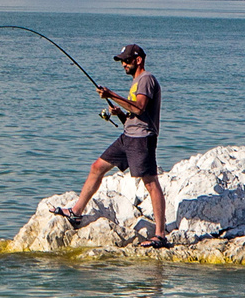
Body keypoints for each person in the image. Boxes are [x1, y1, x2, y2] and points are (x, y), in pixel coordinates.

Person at [55, 43, 166, 247]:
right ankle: (76, 212)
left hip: (142, 140)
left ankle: (160, 235)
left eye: (126, 60)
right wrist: (120, 113)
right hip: (127, 137)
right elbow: (133, 117)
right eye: (121, 60)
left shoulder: (146, 79)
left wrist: (111, 95)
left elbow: (140, 109)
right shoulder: (136, 82)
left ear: (138, 60)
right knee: (97, 167)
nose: (123, 64)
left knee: (150, 183)